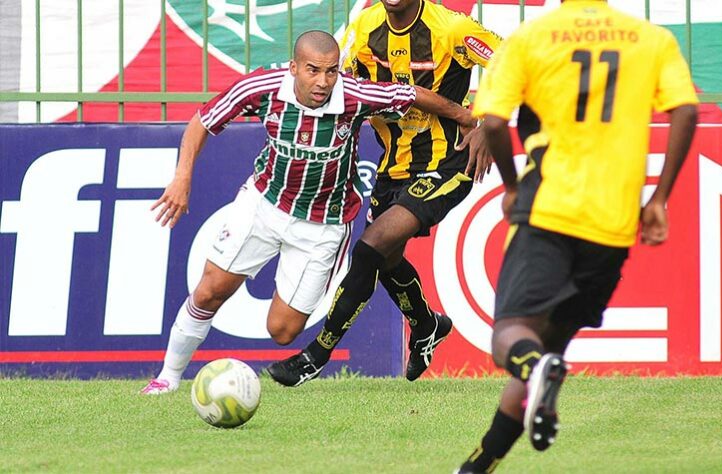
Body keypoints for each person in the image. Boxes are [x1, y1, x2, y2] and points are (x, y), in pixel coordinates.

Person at [140, 30, 476, 395]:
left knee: (283, 331)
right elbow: (202, 121)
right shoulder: (262, 87)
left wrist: (466, 119)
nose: (323, 81)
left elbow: (411, 94)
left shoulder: (354, 94)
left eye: (331, 71)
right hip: (264, 204)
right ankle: (167, 378)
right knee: (209, 291)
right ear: (294, 68)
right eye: (313, 70)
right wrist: (182, 177)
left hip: (323, 225)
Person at [455, 0, 699, 471]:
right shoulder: (651, 38)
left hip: (549, 207)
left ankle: (535, 372)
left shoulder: (532, 36)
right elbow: (685, 113)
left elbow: (493, 121)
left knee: (511, 336)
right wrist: (659, 199)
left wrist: (509, 186)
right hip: (612, 221)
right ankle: (475, 467)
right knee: (545, 351)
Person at [267, 0, 502, 387]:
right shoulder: (363, 28)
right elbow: (340, 90)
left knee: (370, 246)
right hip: (392, 167)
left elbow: (511, 62)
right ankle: (428, 325)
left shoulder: (451, 29)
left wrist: (489, 122)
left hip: (447, 163)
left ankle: (316, 355)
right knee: (388, 260)